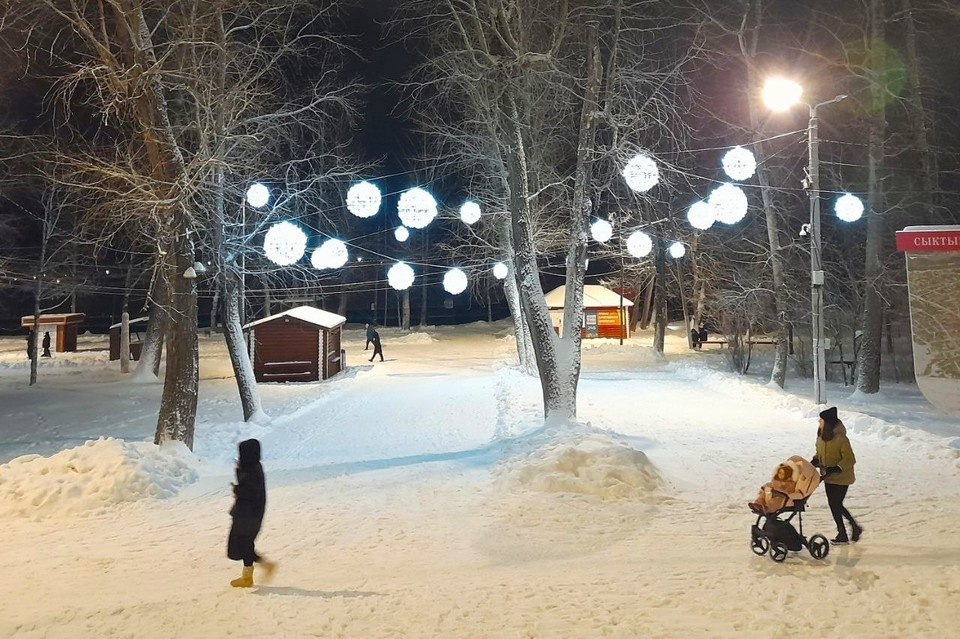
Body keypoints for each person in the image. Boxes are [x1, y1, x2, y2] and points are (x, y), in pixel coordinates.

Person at [227, 439, 276, 587]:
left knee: (236, 550)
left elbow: (248, 492)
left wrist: (236, 489)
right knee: (245, 545)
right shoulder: (253, 467)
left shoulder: (251, 470)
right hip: (249, 514)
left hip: (247, 515)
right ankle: (249, 576)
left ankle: (264, 566)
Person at [811, 407, 863, 544]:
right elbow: (819, 453)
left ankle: (850, 528)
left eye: (821, 420)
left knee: (836, 504)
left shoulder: (841, 439)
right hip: (828, 477)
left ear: (827, 422)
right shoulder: (821, 437)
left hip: (842, 478)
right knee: (834, 505)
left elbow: (850, 459)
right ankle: (844, 532)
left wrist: (837, 468)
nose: (819, 422)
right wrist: (815, 461)